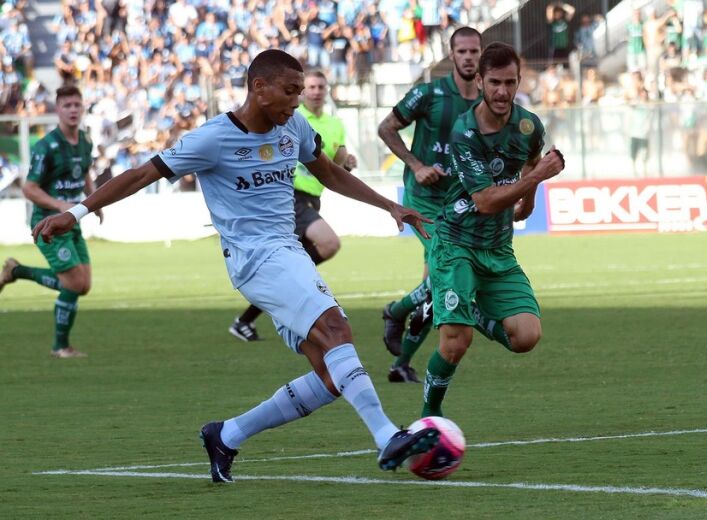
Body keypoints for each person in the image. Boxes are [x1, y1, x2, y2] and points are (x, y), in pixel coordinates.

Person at [32, 50, 439, 483]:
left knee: (330, 375)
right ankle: (387, 436)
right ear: (258, 88)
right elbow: (139, 175)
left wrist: (391, 206)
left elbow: (329, 174)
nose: (297, 102)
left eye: (300, 92)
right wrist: (74, 213)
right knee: (337, 328)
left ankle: (227, 434)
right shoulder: (212, 138)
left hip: (286, 254)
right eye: (289, 91)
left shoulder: (294, 127)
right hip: (256, 258)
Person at [421, 42, 565, 418]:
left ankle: (472, 311)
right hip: (456, 243)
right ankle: (429, 416)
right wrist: (534, 177)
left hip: (497, 248)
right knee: (455, 343)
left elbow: (532, 158)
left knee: (526, 337)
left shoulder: (529, 125)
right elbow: (485, 200)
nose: (503, 92)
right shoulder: (465, 132)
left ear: (519, 81)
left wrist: (530, 199)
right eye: (495, 82)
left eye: (510, 82)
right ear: (481, 82)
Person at [377, 26, 481, 383]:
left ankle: (400, 364)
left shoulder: (487, 101)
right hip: (425, 201)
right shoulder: (429, 93)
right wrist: (416, 165)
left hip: (460, 204)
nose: (469, 57)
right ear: (452, 55)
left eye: (474, 51)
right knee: (446, 271)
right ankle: (396, 311)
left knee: (437, 285)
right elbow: (386, 127)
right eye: (462, 51)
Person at [230, 69, 357, 342]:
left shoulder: (335, 124)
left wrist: (347, 162)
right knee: (328, 243)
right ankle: (297, 298)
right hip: (291, 196)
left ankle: (245, 320)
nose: (315, 91)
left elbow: (336, 161)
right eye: (310, 86)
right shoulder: (291, 118)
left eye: (320, 86)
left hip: (314, 199)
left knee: (283, 270)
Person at [0, 85, 103, 358]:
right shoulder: (47, 146)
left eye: (76, 105)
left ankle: (16, 271)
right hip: (48, 223)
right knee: (73, 284)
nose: (72, 110)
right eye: (67, 105)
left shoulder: (85, 141)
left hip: (71, 221)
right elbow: (29, 188)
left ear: (82, 109)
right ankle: (60, 347)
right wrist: (60, 206)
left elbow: (85, 174)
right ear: (57, 110)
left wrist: (95, 201)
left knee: (83, 285)